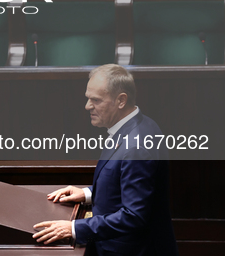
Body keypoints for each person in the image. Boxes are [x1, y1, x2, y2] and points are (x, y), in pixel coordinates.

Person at [32, 64, 178, 256]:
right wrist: (88, 193)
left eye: (96, 100)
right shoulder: (135, 126)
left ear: (121, 100)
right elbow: (124, 183)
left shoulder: (137, 146)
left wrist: (74, 228)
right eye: (88, 98)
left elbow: (133, 216)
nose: (87, 106)